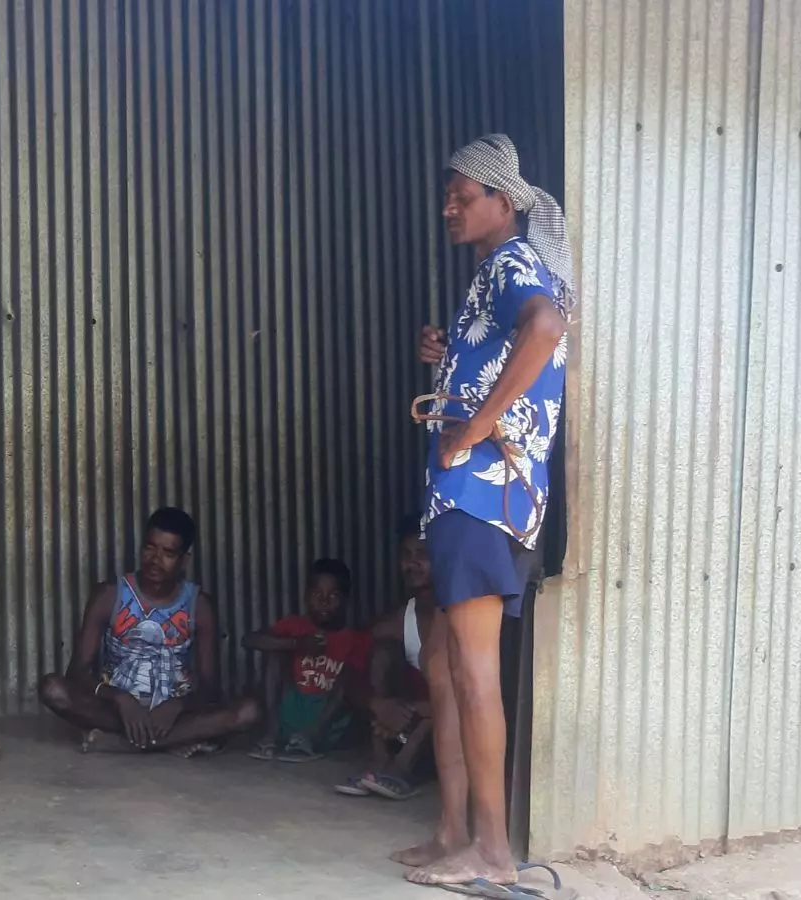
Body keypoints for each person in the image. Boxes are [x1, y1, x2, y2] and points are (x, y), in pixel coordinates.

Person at [396, 134, 575, 889]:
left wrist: (472, 426)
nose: (449, 207)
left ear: (505, 201)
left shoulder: (512, 264)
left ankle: (492, 851)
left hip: (480, 492)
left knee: (471, 670)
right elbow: (508, 345)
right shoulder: (491, 275)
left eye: (463, 196)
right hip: (473, 497)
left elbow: (544, 328)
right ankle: (451, 832)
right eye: (448, 195)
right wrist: (449, 357)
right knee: (441, 665)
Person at [37, 507, 260, 755]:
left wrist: (178, 705)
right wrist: (119, 698)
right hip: (116, 711)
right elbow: (76, 672)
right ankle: (173, 742)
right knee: (53, 689)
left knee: (248, 711)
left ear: (184, 560)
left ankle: (124, 743)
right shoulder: (109, 595)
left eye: (168, 553)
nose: (155, 560)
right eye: (150, 548)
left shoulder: (200, 605)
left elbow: (210, 686)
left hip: (172, 717)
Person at [336, 521, 436, 800]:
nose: (412, 563)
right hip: (401, 728)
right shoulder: (395, 621)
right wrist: (380, 705)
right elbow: (349, 678)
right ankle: (379, 762)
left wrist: (419, 708)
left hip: (444, 735)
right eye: (406, 555)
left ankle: (401, 770)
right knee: (382, 652)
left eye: (422, 554)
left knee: (440, 710)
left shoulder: (465, 619)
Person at [243, 559, 370, 763]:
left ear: (346, 599)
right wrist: (295, 643)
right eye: (316, 595)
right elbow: (249, 640)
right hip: (290, 710)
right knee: (274, 651)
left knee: (352, 673)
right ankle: (272, 733)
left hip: (328, 721)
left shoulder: (356, 638)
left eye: (333, 595)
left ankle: (311, 737)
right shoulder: (295, 625)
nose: (324, 601)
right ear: (305, 597)